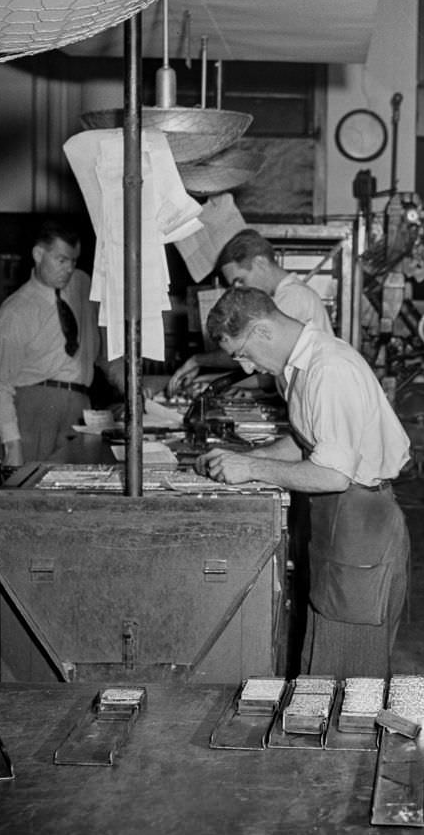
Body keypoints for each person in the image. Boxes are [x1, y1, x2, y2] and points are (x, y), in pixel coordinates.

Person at [196, 286, 411, 677]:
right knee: (325, 659)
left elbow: (332, 473)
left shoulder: (329, 369)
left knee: (349, 671)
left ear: (262, 329)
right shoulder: (304, 367)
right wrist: (251, 458)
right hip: (339, 522)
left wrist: (252, 471)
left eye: (243, 352)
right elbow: (307, 442)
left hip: (361, 523)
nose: (245, 367)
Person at [0, 219, 103, 469]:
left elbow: (98, 346)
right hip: (34, 414)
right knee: (31, 495)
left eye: (74, 261)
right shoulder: (16, 311)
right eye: (61, 260)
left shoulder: (82, 285)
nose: (68, 269)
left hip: (80, 411)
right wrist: (12, 444)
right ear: (38, 254)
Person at [168, 229, 332, 395]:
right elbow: (266, 372)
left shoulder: (292, 296)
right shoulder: (285, 295)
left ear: (260, 263)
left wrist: (198, 361)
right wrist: (213, 379)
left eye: (240, 280)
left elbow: (245, 350)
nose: (239, 289)